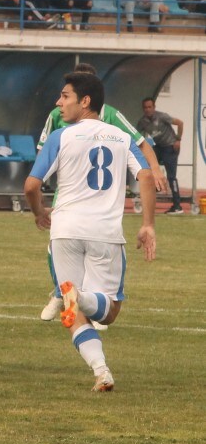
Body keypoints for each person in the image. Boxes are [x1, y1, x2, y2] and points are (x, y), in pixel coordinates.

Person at [25, 72, 156, 392]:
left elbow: (31, 185)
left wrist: (39, 211)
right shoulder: (119, 137)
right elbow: (147, 176)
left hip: (65, 231)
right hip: (105, 232)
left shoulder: (62, 136)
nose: (58, 103)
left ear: (85, 102)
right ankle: (97, 357)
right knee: (108, 313)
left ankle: (101, 369)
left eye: (64, 96)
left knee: (71, 310)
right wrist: (148, 224)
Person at [35, 62, 165, 322]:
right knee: (57, 250)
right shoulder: (56, 114)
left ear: (88, 97)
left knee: (81, 252)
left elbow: (140, 142)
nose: (62, 100)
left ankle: (78, 301)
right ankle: (62, 294)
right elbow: (43, 154)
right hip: (69, 198)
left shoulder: (113, 116)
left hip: (101, 203)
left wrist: (155, 168)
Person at [137, 98, 186, 214]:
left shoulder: (162, 116)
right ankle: (153, 191)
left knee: (171, 177)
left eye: (150, 107)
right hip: (158, 147)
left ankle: (177, 206)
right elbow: (135, 134)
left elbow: (180, 123)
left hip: (170, 147)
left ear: (154, 107)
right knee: (147, 167)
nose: (148, 109)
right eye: (145, 107)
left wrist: (178, 139)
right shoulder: (142, 121)